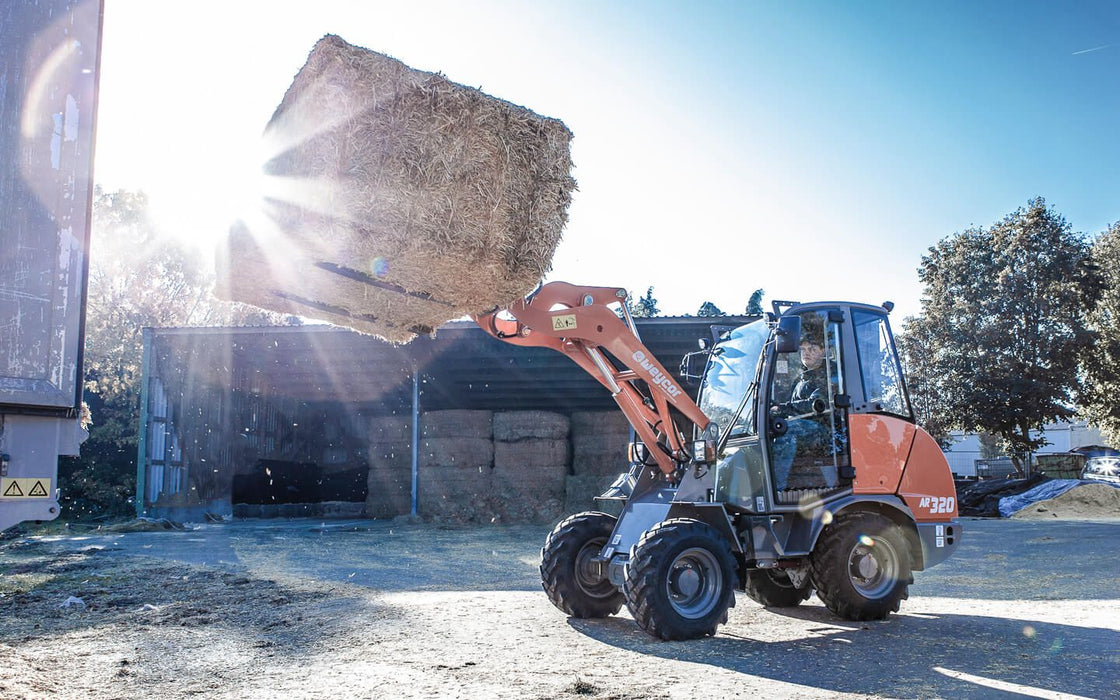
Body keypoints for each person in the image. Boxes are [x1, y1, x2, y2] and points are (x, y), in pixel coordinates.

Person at [771, 326, 836, 491]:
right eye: (803, 349)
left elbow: (815, 404)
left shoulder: (829, 375)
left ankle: (777, 488)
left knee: (787, 431)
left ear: (823, 351)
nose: (806, 353)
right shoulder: (802, 379)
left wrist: (782, 409)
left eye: (812, 349)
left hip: (825, 429)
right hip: (807, 427)